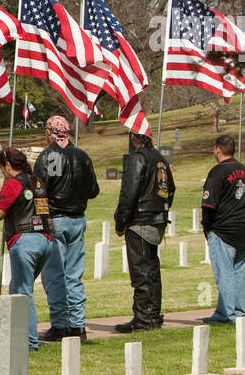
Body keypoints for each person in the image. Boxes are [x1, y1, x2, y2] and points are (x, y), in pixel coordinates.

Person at [34, 115, 99, 342]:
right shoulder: (81, 156)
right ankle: (78, 324)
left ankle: (60, 324)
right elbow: (93, 190)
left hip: (55, 219)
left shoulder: (50, 156)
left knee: (54, 275)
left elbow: (41, 190)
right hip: (78, 218)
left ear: (50, 132)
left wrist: (43, 218)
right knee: (74, 274)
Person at [113, 131, 175, 333]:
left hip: (140, 219)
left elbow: (129, 193)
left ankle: (145, 319)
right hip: (157, 218)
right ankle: (151, 315)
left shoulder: (137, 159)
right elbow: (170, 189)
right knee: (152, 271)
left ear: (134, 137)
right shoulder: (160, 158)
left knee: (141, 273)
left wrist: (121, 222)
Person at [0, 147, 52, 351]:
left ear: (8, 165)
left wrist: (4, 186)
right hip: (44, 239)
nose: (2, 172)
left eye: (1, 168)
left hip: (23, 240)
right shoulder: (38, 181)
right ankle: (14, 337)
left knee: (24, 293)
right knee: (17, 289)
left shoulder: (13, 184)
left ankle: (28, 341)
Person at [199, 134, 245, 324]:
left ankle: (226, 314)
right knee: (239, 272)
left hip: (223, 228)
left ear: (217, 149)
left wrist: (207, 228)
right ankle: (238, 311)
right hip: (243, 227)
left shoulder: (217, 172)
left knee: (225, 273)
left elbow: (208, 205)